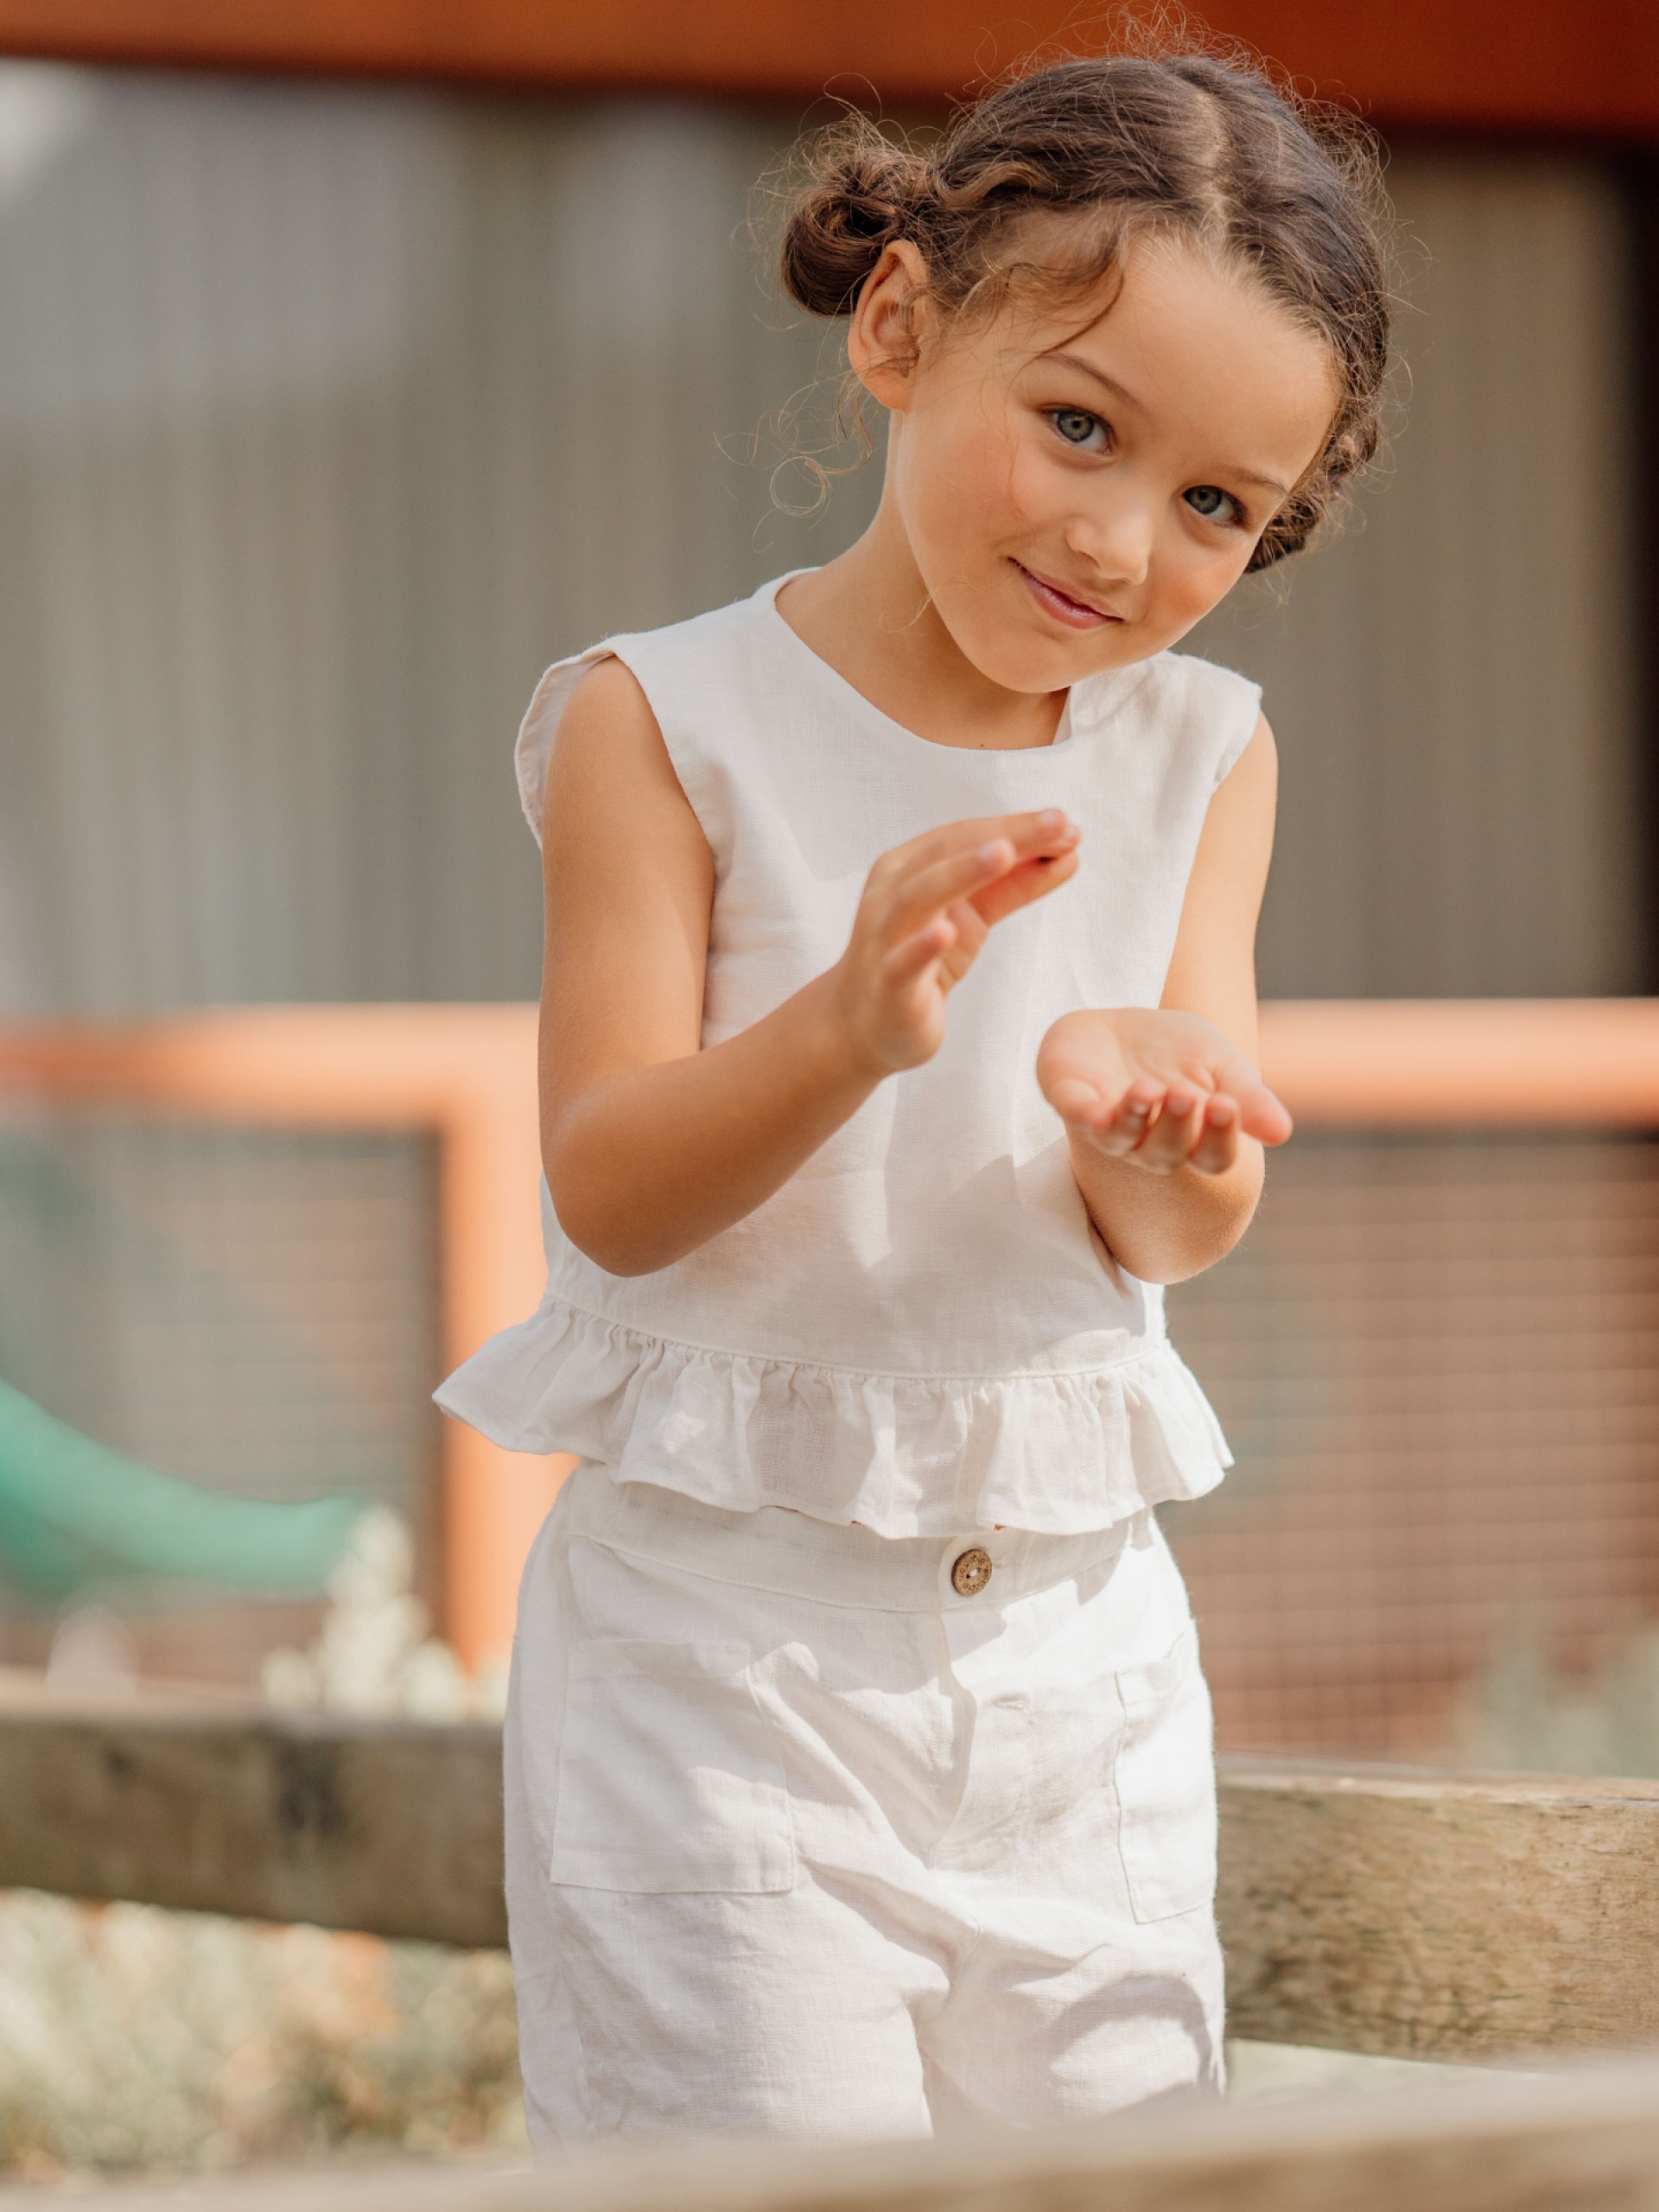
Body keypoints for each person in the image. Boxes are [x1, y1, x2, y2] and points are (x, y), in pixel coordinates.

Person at [437, 41, 1390, 2143]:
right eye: (1078, 425)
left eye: (1216, 504)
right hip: (722, 1668)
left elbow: (1175, 1235)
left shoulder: (1200, 753)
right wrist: (845, 1027)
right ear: (898, 326)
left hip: (1081, 1671)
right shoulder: (659, 718)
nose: (1124, 542)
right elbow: (607, 1188)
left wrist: (1168, 1141)